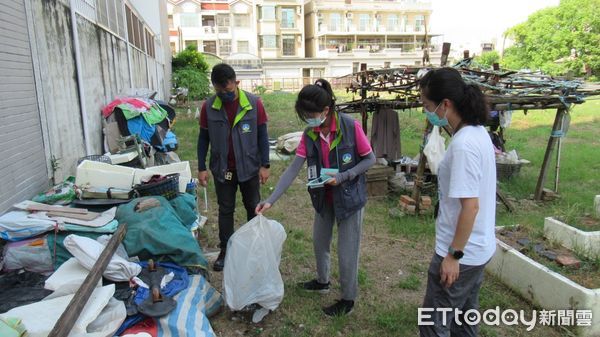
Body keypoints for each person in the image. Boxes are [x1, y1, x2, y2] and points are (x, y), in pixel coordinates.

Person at [255, 79, 375, 316]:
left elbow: (370, 159)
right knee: (320, 242)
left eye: (311, 115)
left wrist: (343, 176)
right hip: (323, 197)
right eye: (305, 116)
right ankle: (322, 281)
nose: (309, 120)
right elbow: (293, 169)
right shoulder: (310, 134)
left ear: (326, 111)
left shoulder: (350, 127)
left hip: (349, 198)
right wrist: (271, 200)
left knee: (347, 250)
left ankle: (348, 299)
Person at [418, 68, 497, 337]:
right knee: (463, 321)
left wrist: (453, 256)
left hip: (461, 253)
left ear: (446, 104)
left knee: (433, 324)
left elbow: (470, 207)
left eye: (428, 106)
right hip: (478, 249)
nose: (427, 113)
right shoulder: (478, 132)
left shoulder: (463, 145)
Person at [197, 63, 271, 271]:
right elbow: (203, 138)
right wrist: (201, 166)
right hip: (223, 169)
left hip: (249, 168)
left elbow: (263, 135)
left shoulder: (254, 103)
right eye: (219, 91)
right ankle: (225, 251)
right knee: (226, 209)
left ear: (236, 83)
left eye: (227, 90)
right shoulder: (209, 106)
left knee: (253, 208)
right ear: (214, 88)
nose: (224, 95)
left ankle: (253, 249)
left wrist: (265, 164)